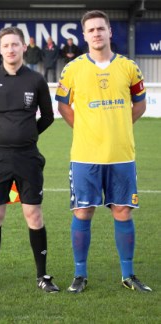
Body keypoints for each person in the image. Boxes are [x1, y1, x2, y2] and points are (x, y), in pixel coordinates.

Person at [56, 10, 152, 294]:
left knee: (122, 211)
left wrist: (119, 126)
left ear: (110, 32)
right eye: (91, 30)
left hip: (121, 155)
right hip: (85, 156)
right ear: (84, 35)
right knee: (83, 212)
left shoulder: (129, 67)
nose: (96, 33)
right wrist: (86, 128)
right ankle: (80, 275)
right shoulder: (72, 69)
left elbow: (140, 104)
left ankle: (128, 274)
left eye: (101, 28)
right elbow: (63, 106)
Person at [0, 26, 58, 293]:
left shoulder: (36, 80)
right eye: (5, 45)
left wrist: (27, 136)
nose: (10, 49)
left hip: (28, 158)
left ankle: (43, 276)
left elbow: (47, 117)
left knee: (33, 214)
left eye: (15, 44)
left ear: (24, 47)